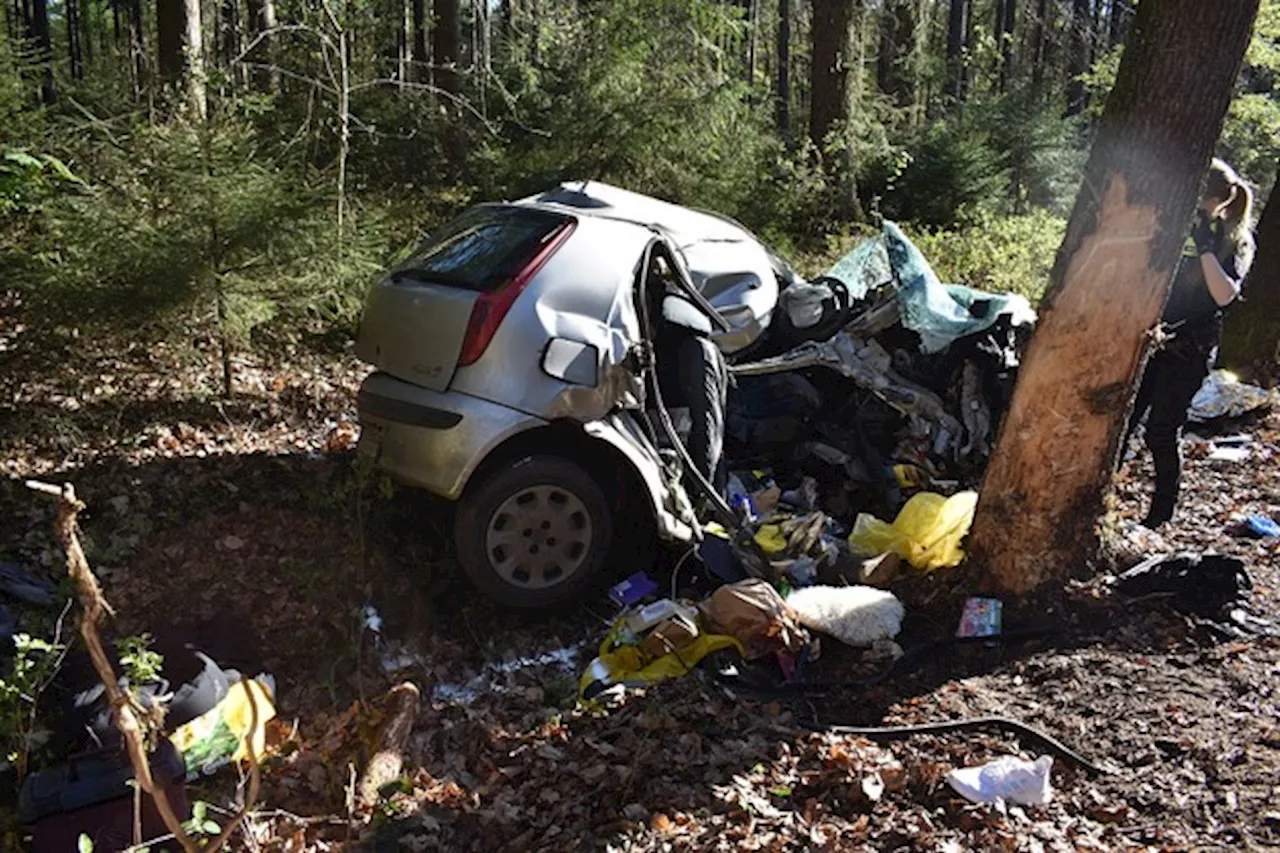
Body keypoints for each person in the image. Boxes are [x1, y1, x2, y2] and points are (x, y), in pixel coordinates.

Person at [1126, 158, 1257, 528]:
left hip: (1192, 346)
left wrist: (1205, 248)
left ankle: (1160, 516)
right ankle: (1099, 497)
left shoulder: (1235, 240)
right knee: (1125, 419)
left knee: (1162, 431)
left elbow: (1224, 295)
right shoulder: (1173, 223)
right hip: (1153, 336)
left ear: (1217, 200)